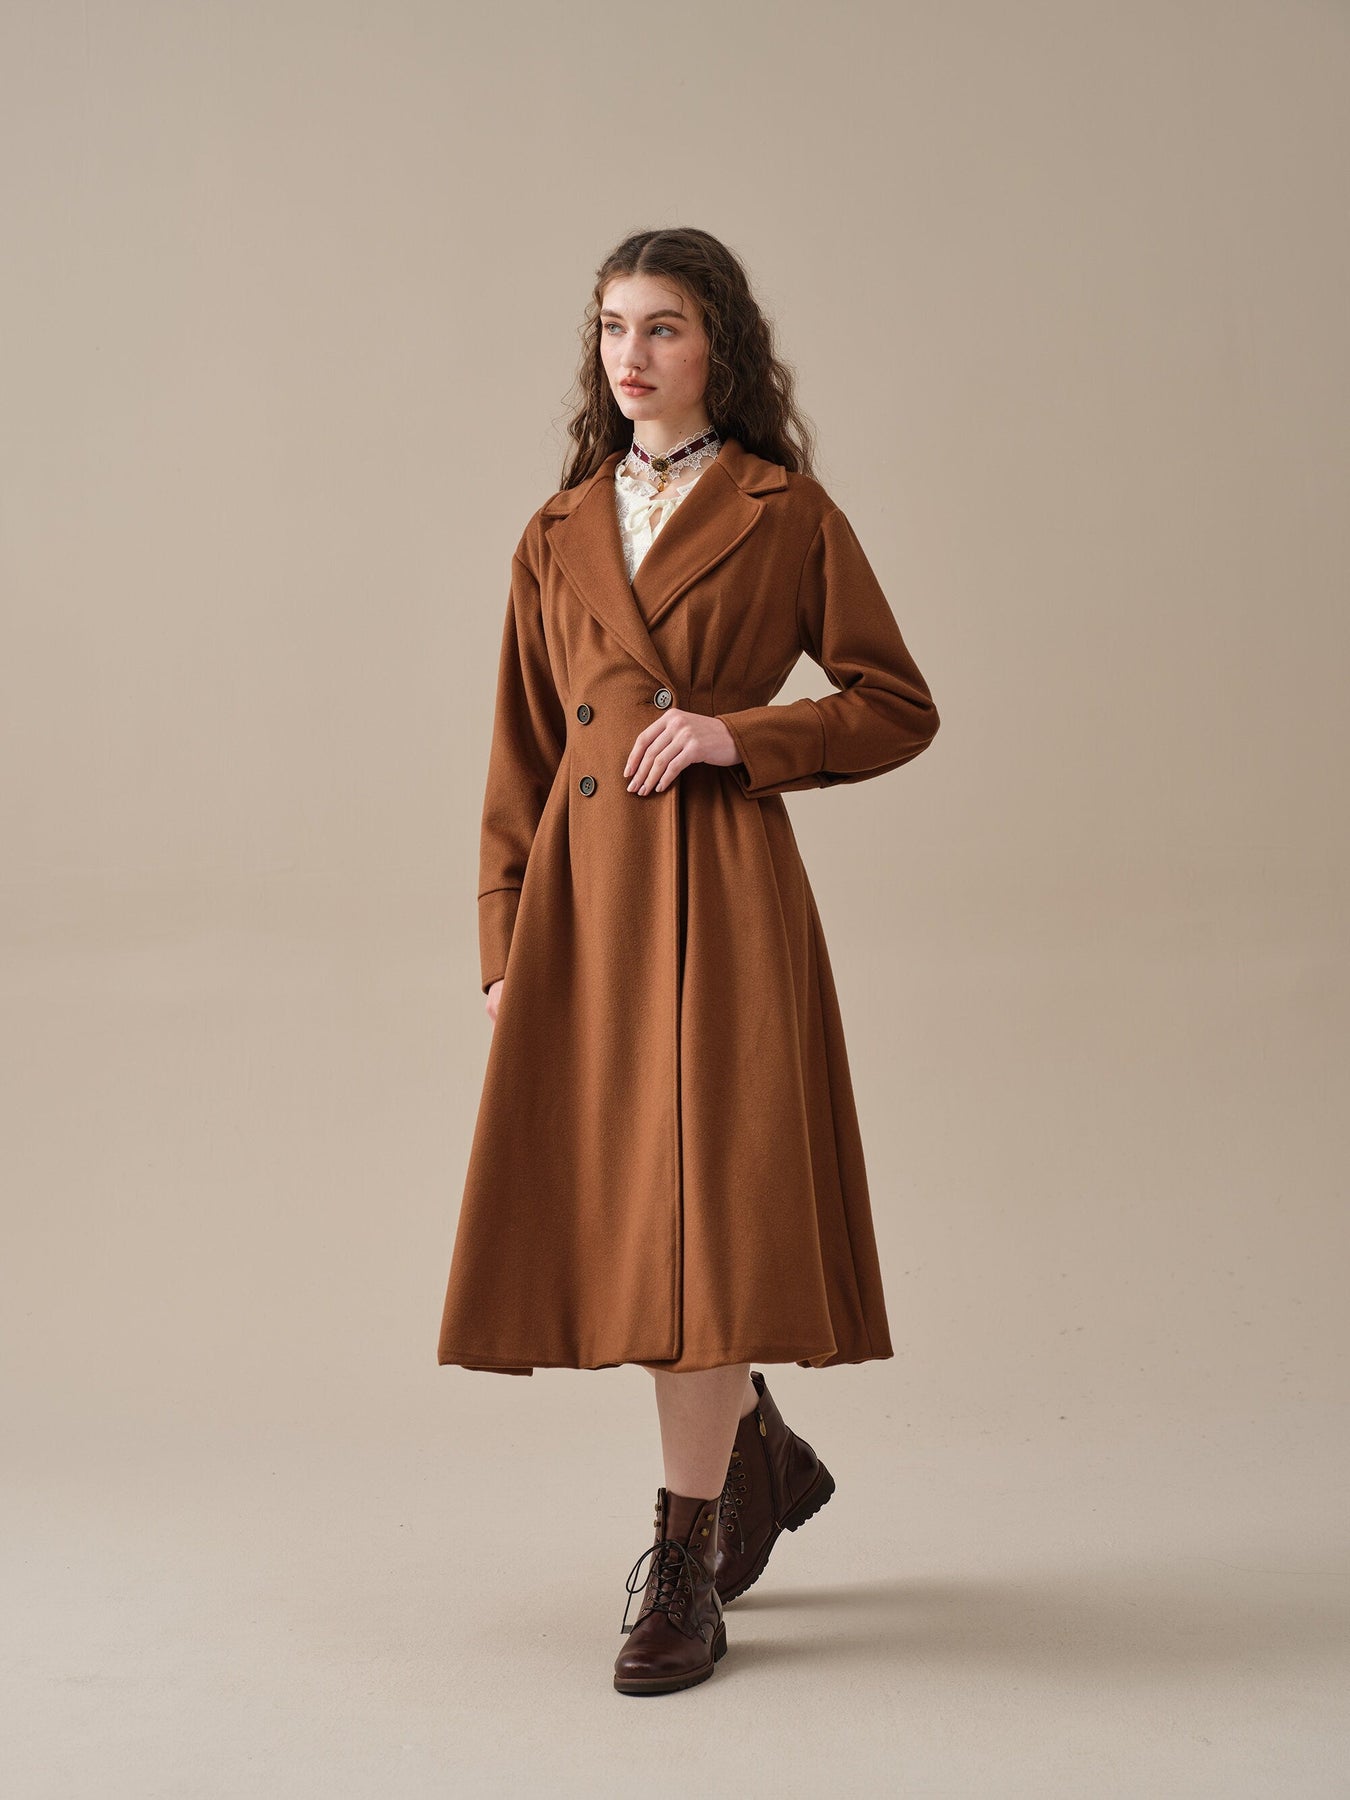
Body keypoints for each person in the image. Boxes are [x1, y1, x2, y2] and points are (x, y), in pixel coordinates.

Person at [436, 227, 941, 1697]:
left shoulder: (786, 510)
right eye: (611, 328)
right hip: (585, 909)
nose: (631, 355)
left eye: (661, 326)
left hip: (721, 892)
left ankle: (682, 1553)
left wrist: (740, 736)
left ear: (719, 341)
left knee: (706, 1222)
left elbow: (894, 703)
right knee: (635, 1223)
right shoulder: (555, 530)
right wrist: (503, 939)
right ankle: (752, 1450)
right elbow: (522, 753)